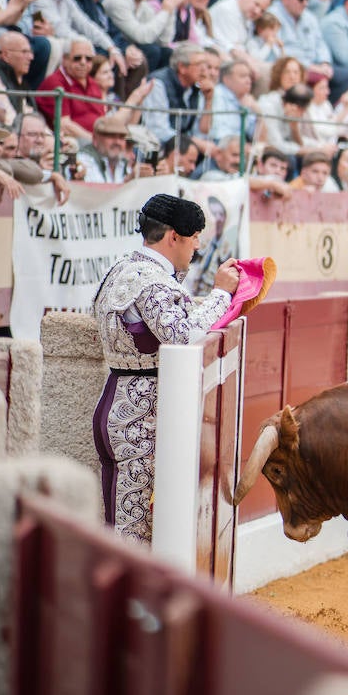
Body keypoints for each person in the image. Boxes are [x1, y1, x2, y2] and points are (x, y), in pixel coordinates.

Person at [92, 194, 241, 544]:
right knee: (133, 531)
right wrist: (220, 294)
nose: (197, 246)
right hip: (139, 418)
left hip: (123, 403)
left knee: (127, 522)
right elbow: (183, 336)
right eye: (194, 238)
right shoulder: (151, 280)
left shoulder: (127, 266)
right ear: (173, 236)